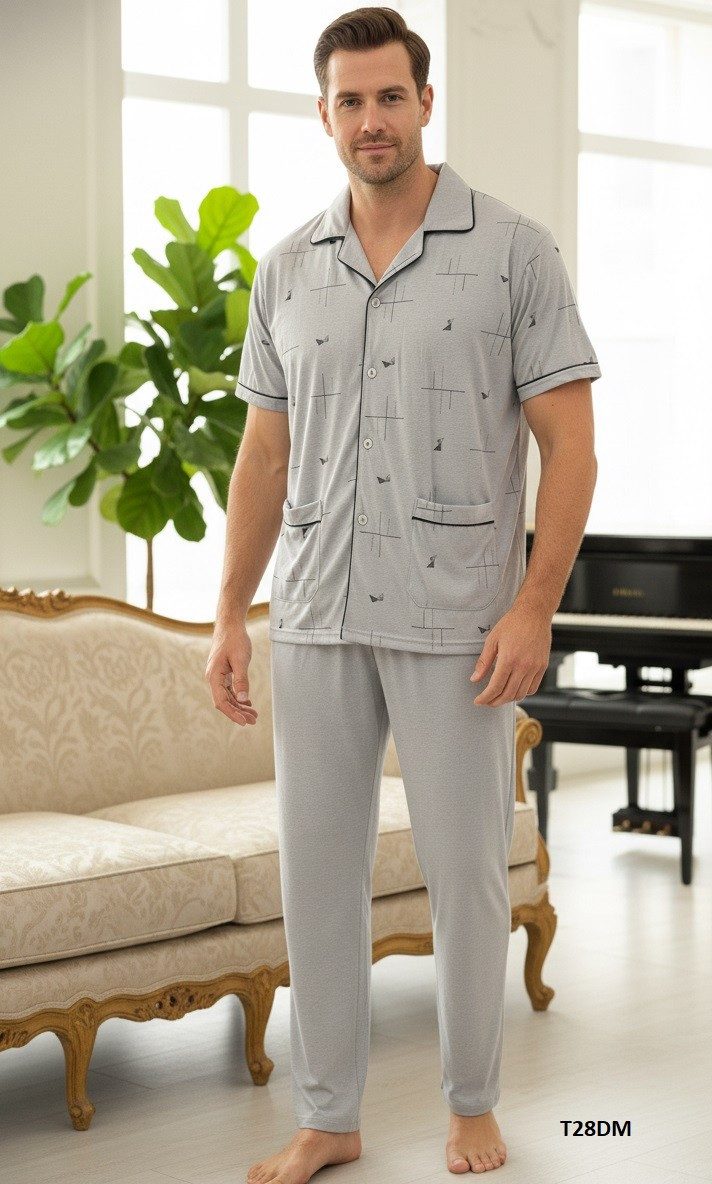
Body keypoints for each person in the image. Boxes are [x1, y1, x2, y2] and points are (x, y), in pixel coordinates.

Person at [205, 7, 601, 1181]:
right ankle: (329, 1115)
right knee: (315, 875)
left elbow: (570, 447)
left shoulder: (515, 251)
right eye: (350, 100)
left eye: (389, 96)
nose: (370, 119)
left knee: (466, 873)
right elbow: (262, 456)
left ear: (425, 103)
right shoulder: (287, 267)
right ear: (323, 114)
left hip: (457, 620)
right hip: (316, 611)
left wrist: (533, 605)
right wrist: (230, 609)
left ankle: (471, 1102)